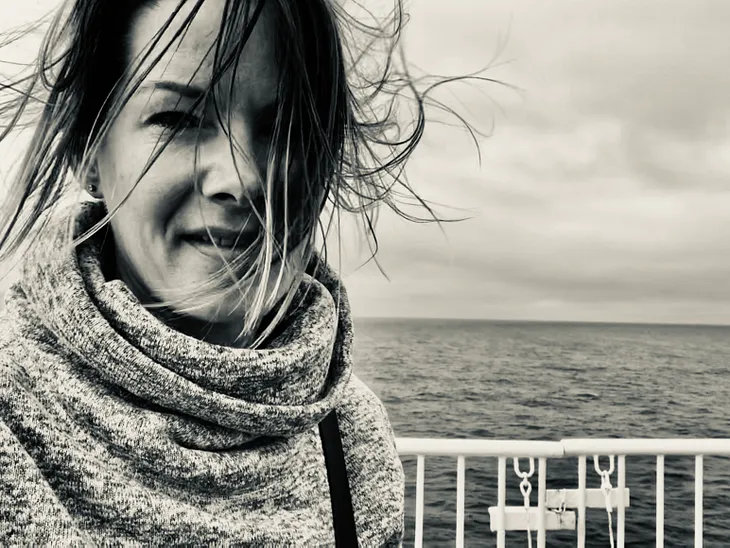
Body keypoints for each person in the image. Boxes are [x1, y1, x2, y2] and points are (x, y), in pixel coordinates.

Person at [0, 0, 484, 545]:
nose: (243, 178)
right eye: (178, 120)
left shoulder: (349, 433)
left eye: (286, 125)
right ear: (87, 149)